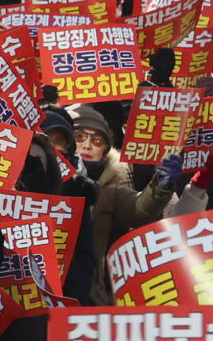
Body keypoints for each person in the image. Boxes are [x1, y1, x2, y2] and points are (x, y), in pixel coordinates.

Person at [70, 104, 175, 303]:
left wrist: (161, 185)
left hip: (91, 295)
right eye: (79, 137)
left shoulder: (111, 188)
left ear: (106, 148)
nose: (87, 145)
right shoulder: (46, 179)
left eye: (97, 140)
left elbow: (140, 208)